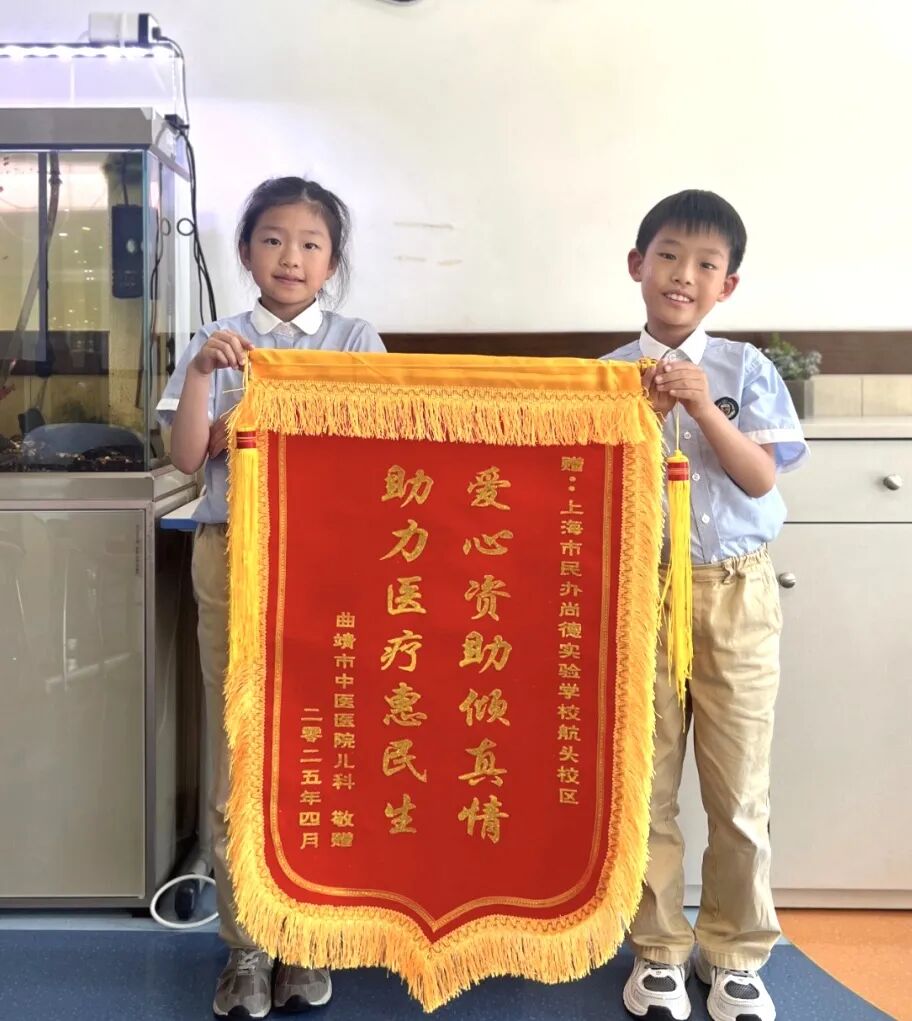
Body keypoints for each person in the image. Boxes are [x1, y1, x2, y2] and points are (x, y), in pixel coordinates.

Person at [157, 176, 385, 1019]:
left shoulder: (355, 340)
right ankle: (247, 946)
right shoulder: (215, 340)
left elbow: (376, 451)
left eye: (311, 243)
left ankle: (308, 938)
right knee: (238, 746)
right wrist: (200, 382)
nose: (292, 257)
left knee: (319, 744)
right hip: (233, 553)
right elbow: (187, 458)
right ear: (248, 251)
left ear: (332, 260)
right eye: (274, 239)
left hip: (327, 563)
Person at [605, 190, 808, 1021]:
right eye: (667, 255)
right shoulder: (607, 374)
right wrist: (635, 412)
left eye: (704, 264)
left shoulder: (745, 369)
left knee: (739, 788)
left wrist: (698, 406)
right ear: (637, 265)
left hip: (733, 594)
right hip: (639, 593)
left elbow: (760, 476)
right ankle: (656, 948)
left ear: (727, 286)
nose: (682, 274)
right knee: (644, 782)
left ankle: (735, 952)